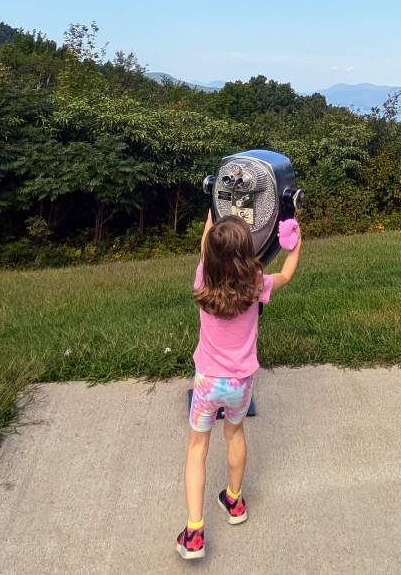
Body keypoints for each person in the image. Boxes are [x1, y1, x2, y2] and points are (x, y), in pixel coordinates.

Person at [175, 211, 301, 560]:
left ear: (211, 257)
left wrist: (210, 213)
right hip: (240, 383)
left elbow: (205, 250)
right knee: (234, 434)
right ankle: (234, 500)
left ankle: (194, 532)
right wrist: (295, 245)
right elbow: (288, 274)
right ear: (248, 252)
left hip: (206, 384)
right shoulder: (256, 283)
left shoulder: (203, 278)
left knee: (197, 449)